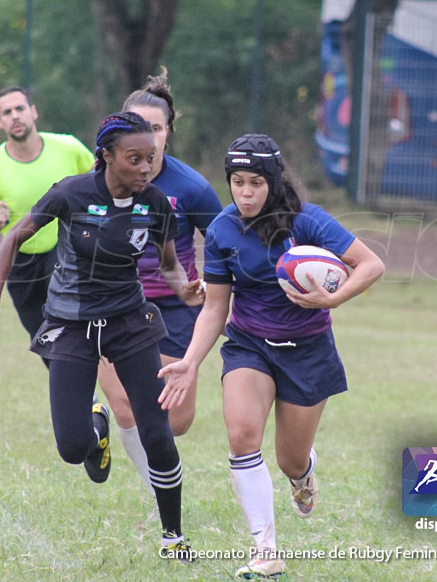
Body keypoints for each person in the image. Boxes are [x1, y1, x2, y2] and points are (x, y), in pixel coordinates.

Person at [0, 111, 204, 556]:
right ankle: (97, 431)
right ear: (106, 157)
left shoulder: (154, 202)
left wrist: (186, 290)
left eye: (150, 159)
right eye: (134, 159)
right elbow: (12, 238)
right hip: (71, 324)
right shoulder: (72, 194)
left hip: (129, 322)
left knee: (158, 433)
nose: (144, 168)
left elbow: (170, 263)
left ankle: (173, 536)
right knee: (71, 446)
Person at [157, 133, 384, 579]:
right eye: (237, 182)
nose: (245, 192)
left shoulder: (308, 221)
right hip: (250, 345)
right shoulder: (223, 229)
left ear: (274, 182)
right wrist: (190, 360)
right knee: (242, 436)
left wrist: (333, 299)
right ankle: (266, 551)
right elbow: (216, 307)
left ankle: (304, 474)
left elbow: (371, 264)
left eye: (255, 183)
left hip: (308, 351)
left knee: (289, 460)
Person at [95, 69, 223, 494]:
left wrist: (217, 287)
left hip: (174, 308)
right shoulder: (103, 176)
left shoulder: (191, 188)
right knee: (128, 408)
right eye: (136, 125)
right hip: (115, 304)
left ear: (169, 132)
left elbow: (225, 241)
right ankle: (160, 495)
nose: (146, 135)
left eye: (155, 128)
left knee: (177, 420)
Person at [0, 86, 94, 354]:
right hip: (21, 262)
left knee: (70, 327)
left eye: (20, 109)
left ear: (33, 112)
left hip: (65, 251)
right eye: (7, 112)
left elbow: (100, 181)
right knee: (44, 340)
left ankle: (94, 389)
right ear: (0, 121)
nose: (15, 116)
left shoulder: (68, 148)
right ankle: (86, 395)